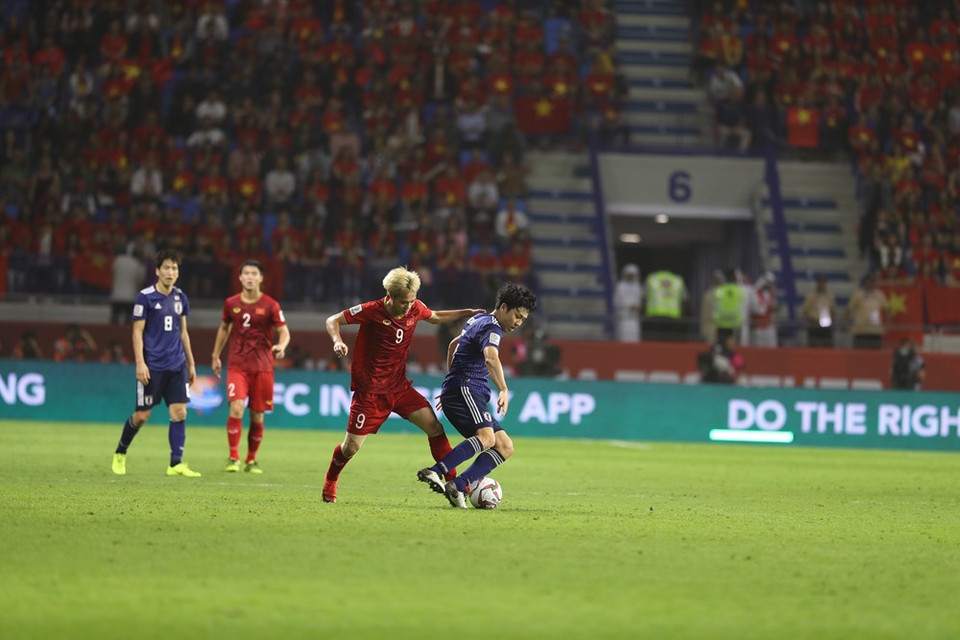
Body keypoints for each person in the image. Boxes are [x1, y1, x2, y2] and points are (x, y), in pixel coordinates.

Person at [322, 267, 484, 503]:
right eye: (404, 302)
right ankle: (331, 480)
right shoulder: (371, 310)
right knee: (351, 448)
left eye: (412, 300)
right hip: (371, 392)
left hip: (399, 388)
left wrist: (466, 312)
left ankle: (452, 484)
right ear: (390, 296)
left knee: (435, 429)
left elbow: (436, 316)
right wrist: (337, 341)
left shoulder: (415, 307)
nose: (409, 306)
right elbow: (332, 320)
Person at [417, 283, 537, 508]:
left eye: (523, 319)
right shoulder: (493, 327)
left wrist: (450, 384)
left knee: (504, 446)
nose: (518, 323)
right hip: (467, 387)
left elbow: (453, 345)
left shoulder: (477, 320)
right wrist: (503, 388)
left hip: (461, 388)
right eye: (517, 316)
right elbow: (491, 358)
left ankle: (459, 485)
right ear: (503, 307)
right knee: (487, 438)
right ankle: (435, 471)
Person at [111, 249, 201, 477]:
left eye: (174, 268)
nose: (170, 272)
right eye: (167, 268)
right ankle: (121, 451)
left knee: (180, 412)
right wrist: (140, 363)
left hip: (177, 366)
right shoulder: (145, 297)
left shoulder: (181, 297)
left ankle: (175, 464)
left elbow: (184, 333)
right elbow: (137, 332)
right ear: (157, 271)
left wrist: (191, 363)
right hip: (153, 368)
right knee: (142, 416)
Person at [211, 259, 291, 473]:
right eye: (246, 273)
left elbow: (284, 331)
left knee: (257, 414)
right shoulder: (231, 303)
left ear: (261, 278)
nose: (249, 277)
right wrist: (215, 354)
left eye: (254, 273)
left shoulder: (271, 305)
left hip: (263, 367)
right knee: (236, 407)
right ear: (239, 277)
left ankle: (251, 459)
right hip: (238, 366)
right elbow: (224, 328)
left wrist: (281, 346)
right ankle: (233, 457)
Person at [846, 273, 889, 349]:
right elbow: (848, 310)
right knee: (860, 356)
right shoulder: (858, 295)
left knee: (875, 356)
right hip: (861, 331)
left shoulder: (879, 295)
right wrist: (847, 325)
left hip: (875, 331)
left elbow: (887, 310)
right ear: (865, 282)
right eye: (870, 281)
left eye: (873, 281)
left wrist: (887, 325)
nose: (872, 284)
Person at [110, 244, 145, 324]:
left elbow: (112, 276)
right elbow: (139, 283)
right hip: (130, 298)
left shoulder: (117, 260)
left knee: (113, 325)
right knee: (128, 326)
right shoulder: (138, 264)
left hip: (116, 296)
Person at [800, 274, 837, 347]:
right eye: (819, 282)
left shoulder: (830, 296)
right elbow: (805, 311)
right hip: (814, 324)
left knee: (827, 347)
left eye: (823, 282)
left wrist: (830, 320)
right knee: (813, 346)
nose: (821, 285)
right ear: (817, 284)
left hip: (826, 325)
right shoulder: (811, 296)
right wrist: (811, 320)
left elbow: (833, 311)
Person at [613, 264, 642, 342]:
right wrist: (628, 306)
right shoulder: (620, 286)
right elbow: (616, 302)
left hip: (634, 317)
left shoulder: (638, 286)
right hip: (623, 317)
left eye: (633, 275)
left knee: (634, 336)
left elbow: (638, 300)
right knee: (623, 336)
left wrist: (638, 306)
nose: (631, 277)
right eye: (630, 275)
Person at [750, 272, 779, 347]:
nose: (770, 285)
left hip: (768, 326)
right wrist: (767, 308)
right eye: (768, 282)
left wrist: (775, 308)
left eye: (771, 283)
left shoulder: (770, 292)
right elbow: (755, 309)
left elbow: (771, 306)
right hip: (758, 327)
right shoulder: (755, 292)